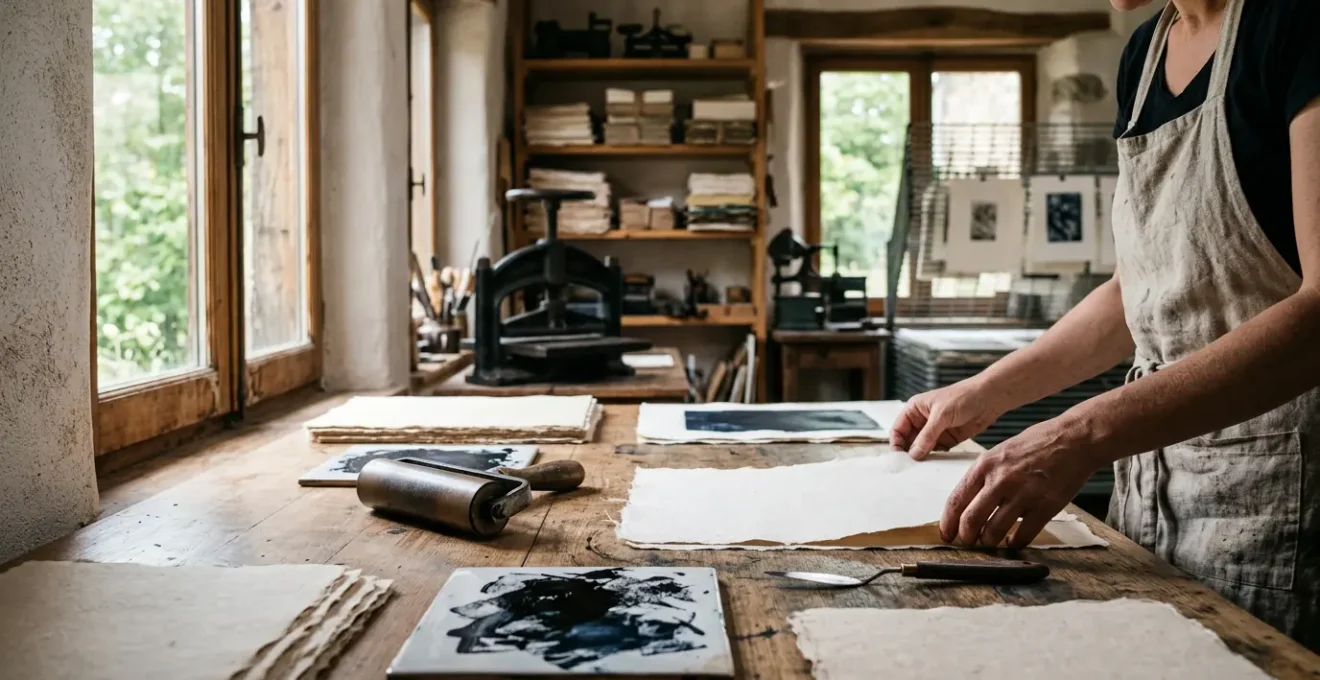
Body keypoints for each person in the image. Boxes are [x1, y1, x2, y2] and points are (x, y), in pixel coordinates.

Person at [890, 0, 1320, 651]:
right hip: (1149, 491)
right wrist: (986, 391)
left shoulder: (1296, 23)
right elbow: (1137, 291)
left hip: (1279, 492)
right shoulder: (1144, 54)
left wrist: (1079, 434)